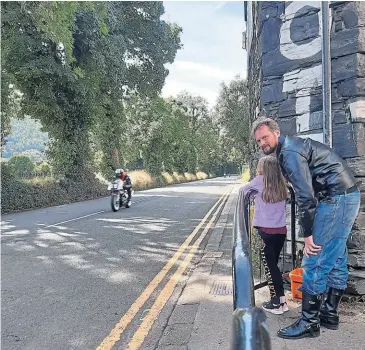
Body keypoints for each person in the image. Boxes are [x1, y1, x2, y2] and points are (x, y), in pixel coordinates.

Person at [251, 117, 360, 339]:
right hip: (344, 196)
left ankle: (309, 323)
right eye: (259, 140)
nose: (262, 143)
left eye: (265, 137)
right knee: (337, 257)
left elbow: (305, 196)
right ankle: (329, 314)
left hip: (336, 197)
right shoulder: (291, 147)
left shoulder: (289, 153)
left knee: (313, 259)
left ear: (276, 132)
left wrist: (308, 234)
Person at [241, 156, 289, 315]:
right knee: (274, 266)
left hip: (266, 232)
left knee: (271, 267)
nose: (257, 168)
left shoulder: (259, 181)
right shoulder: (281, 182)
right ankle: (281, 301)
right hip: (281, 231)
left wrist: (254, 193)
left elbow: (243, 190)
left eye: (259, 165)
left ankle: (278, 303)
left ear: (264, 168)